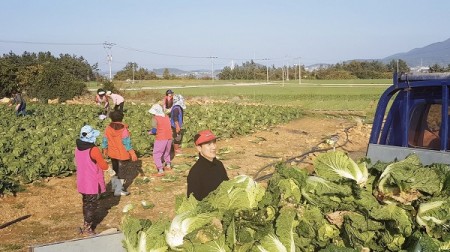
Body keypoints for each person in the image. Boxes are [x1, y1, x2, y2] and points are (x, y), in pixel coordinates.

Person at [75, 125, 109, 235]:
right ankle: (87, 227)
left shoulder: (78, 147)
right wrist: (108, 165)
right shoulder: (93, 150)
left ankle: (86, 221)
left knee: (85, 202)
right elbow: (103, 166)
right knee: (91, 205)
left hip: (82, 181)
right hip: (91, 182)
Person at [102, 110, 138, 196]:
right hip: (122, 154)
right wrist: (132, 153)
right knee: (122, 171)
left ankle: (114, 187)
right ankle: (118, 190)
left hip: (112, 153)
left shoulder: (108, 128)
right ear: (122, 118)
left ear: (111, 118)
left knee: (115, 169)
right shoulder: (123, 129)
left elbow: (105, 139)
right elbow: (126, 142)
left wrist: (104, 149)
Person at [187, 130, 229, 201]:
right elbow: (192, 202)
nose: (213, 147)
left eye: (214, 143)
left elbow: (227, 186)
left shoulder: (219, 165)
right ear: (199, 148)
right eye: (209, 144)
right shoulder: (195, 173)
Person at [148, 104, 173, 177]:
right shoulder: (166, 116)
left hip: (161, 138)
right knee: (167, 151)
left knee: (157, 154)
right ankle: (168, 165)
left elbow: (154, 130)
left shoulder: (155, 118)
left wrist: (150, 132)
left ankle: (160, 170)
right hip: (169, 137)